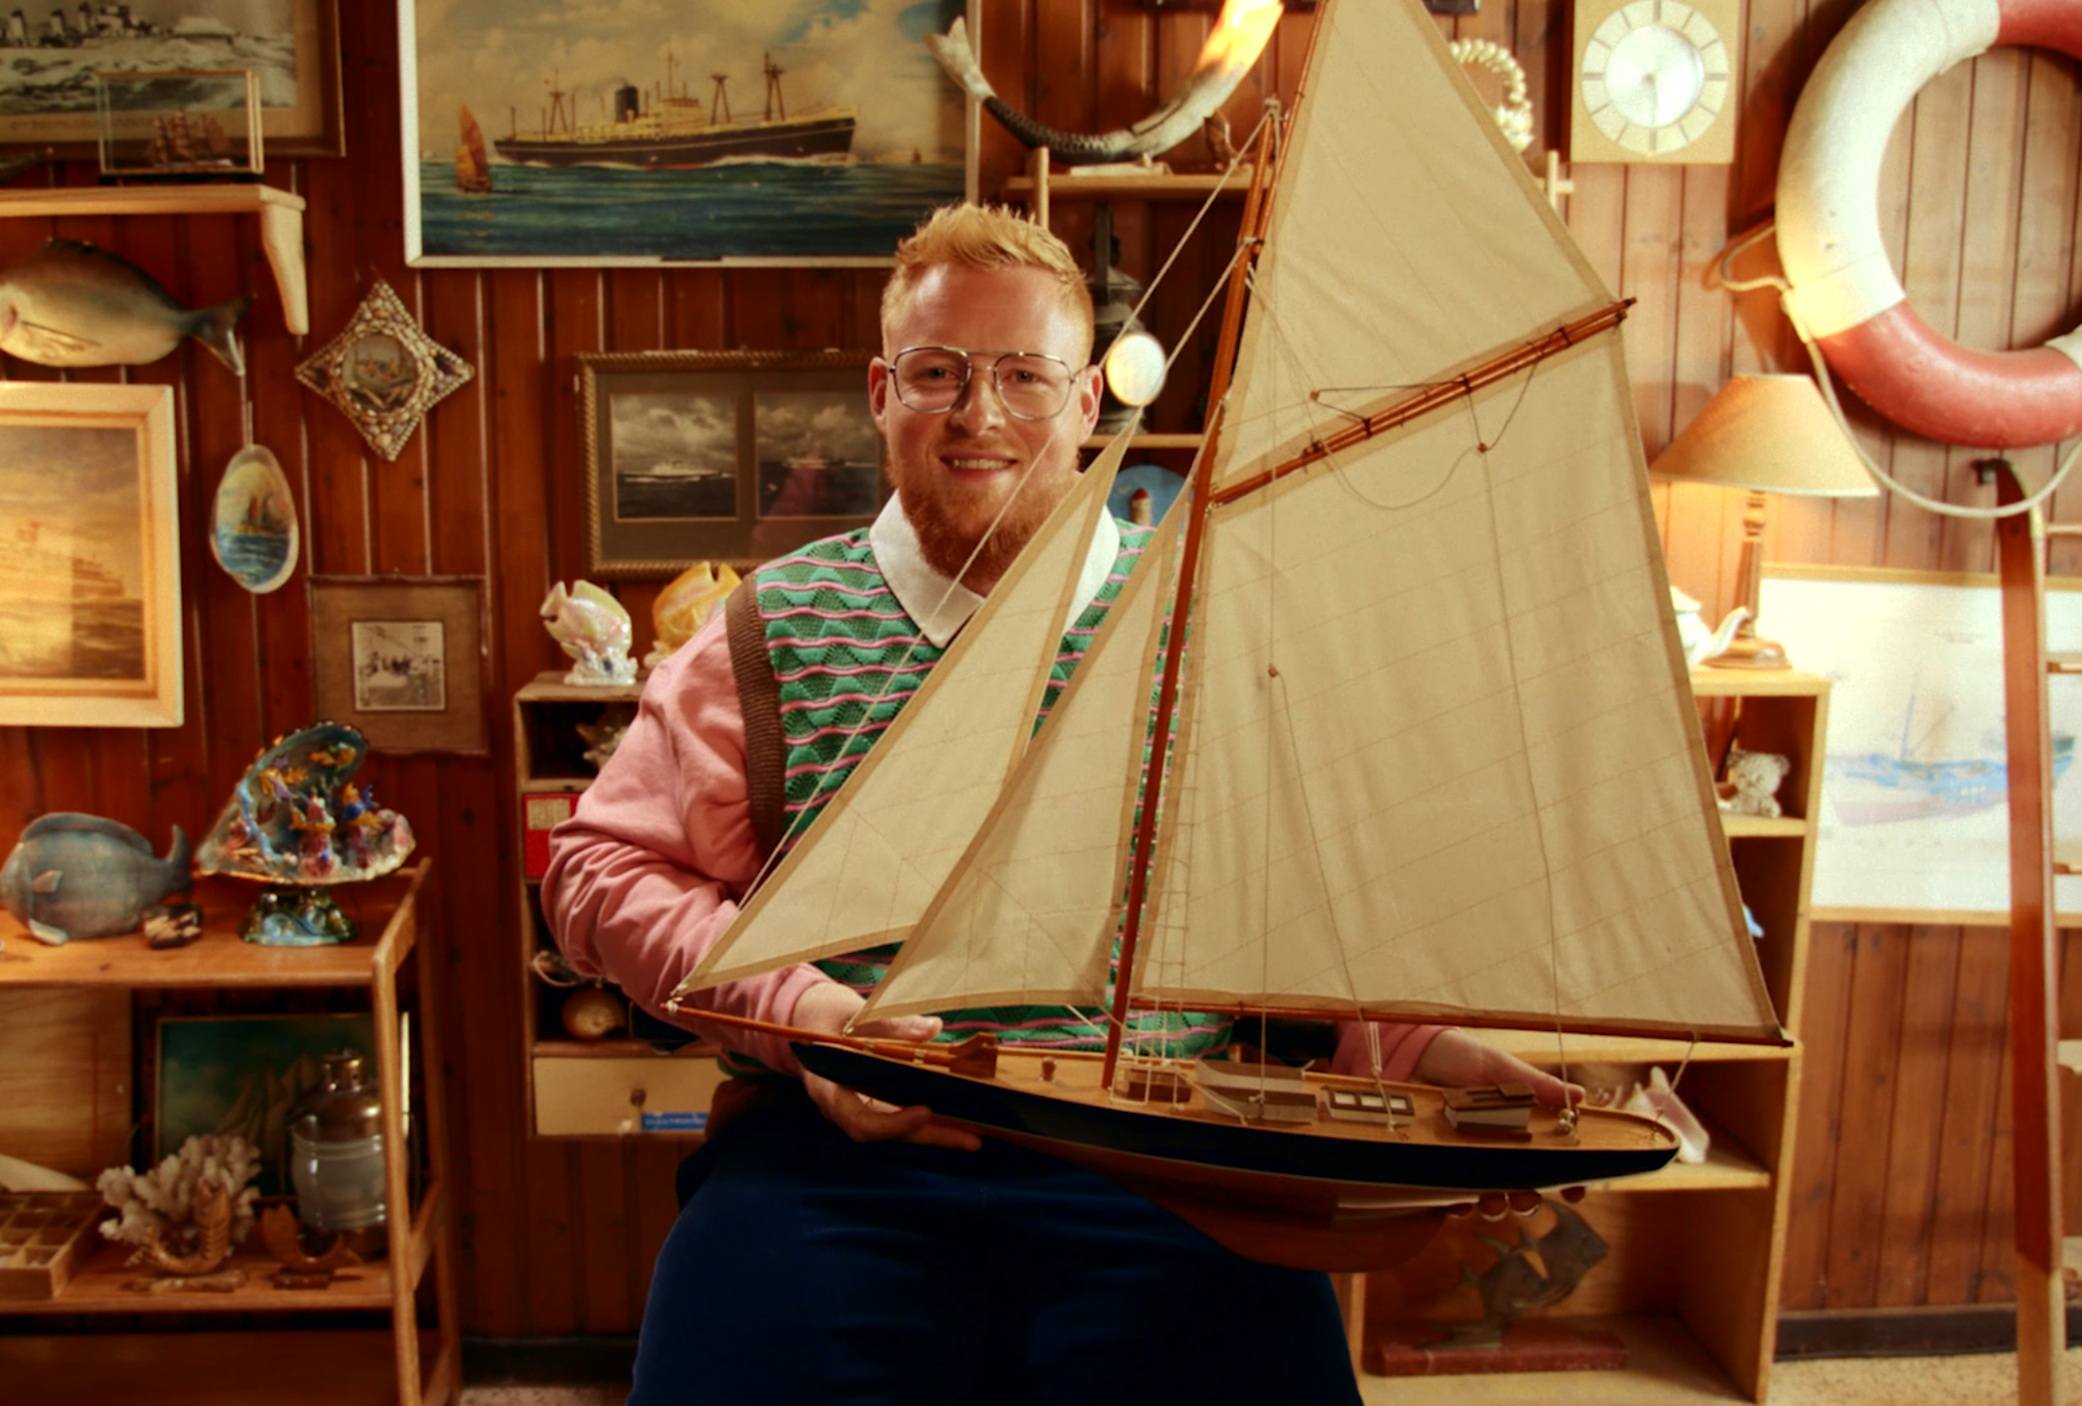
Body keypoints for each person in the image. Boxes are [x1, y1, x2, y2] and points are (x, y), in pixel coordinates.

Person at [543, 203, 1580, 1405]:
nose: (980, 415)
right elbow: (596, 871)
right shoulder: (762, 630)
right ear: (882, 392)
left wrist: (1410, 1051)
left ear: (1087, 402)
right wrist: (805, 1015)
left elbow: (1289, 900)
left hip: (1167, 1157)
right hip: (837, 1154)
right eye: (938, 373)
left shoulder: (1200, 623)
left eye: (1025, 377)